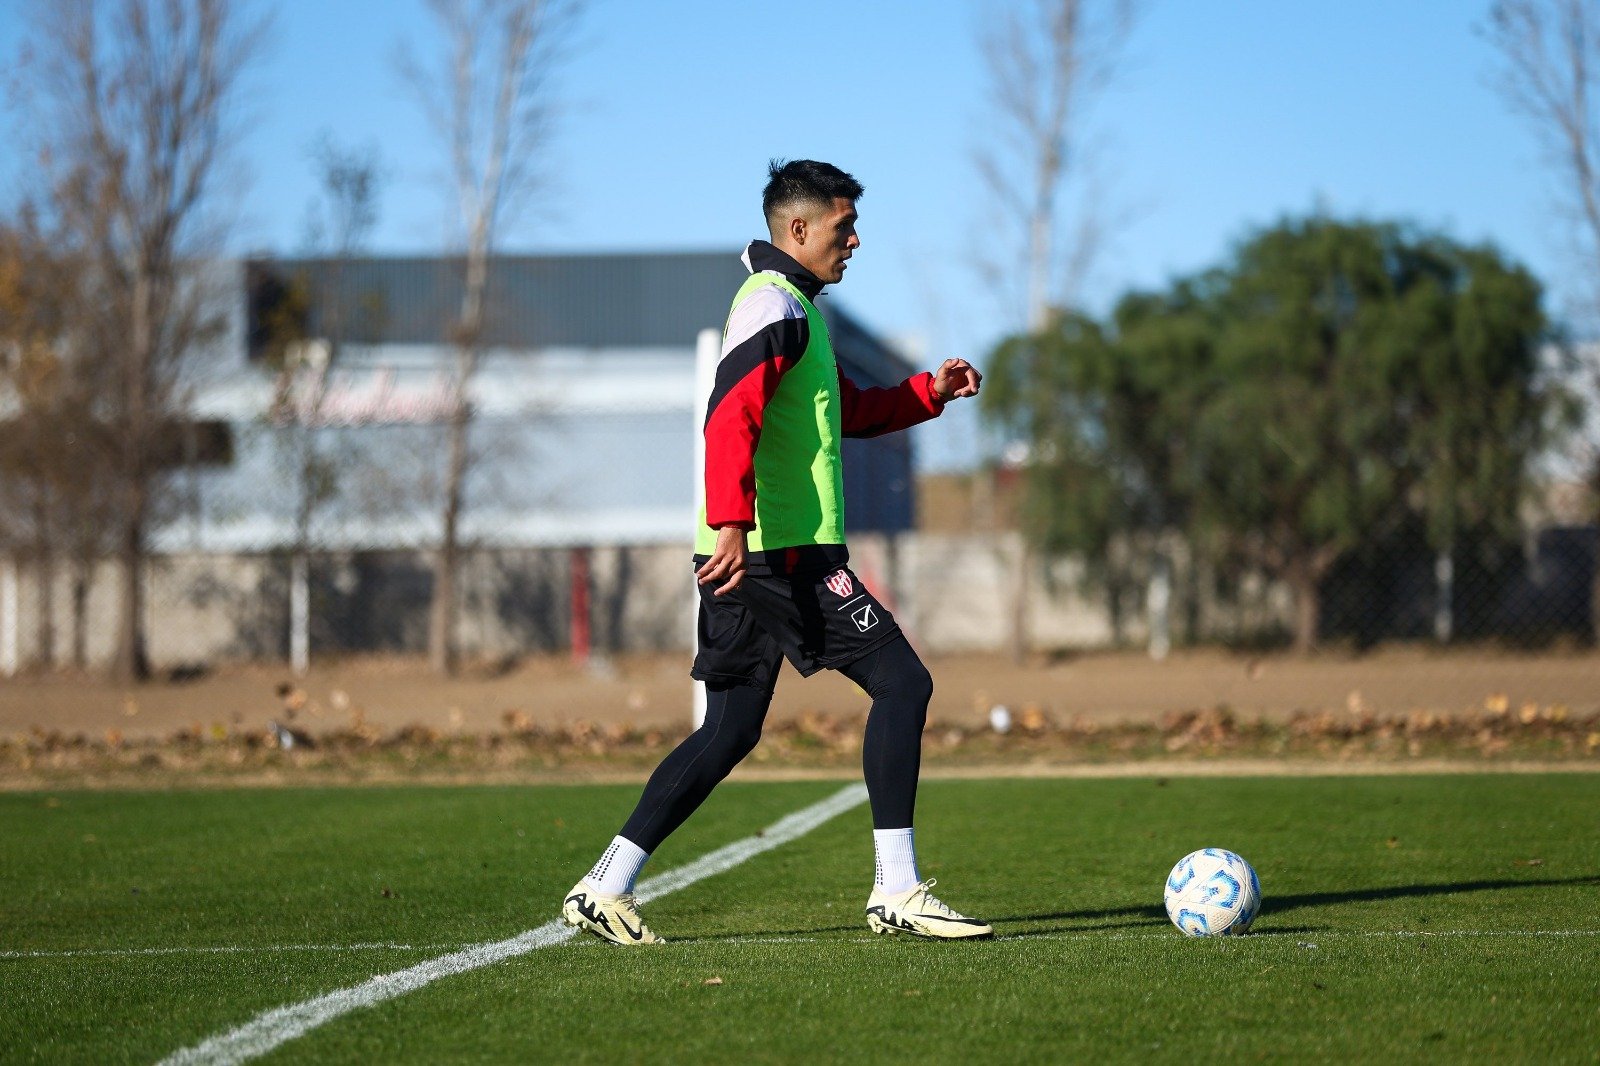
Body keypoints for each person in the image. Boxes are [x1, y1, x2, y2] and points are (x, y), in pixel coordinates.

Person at [562, 159, 989, 943]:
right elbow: (730, 415)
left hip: (744, 553)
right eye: (843, 227)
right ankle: (896, 889)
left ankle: (604, 885)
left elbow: (842, 412)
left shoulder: (794, 309)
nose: (854, 241)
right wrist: (733, 520)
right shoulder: (773, 305)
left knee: (728, 730)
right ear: (798, 228)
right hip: (777, 554)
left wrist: (928, 392)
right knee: (903, 682)